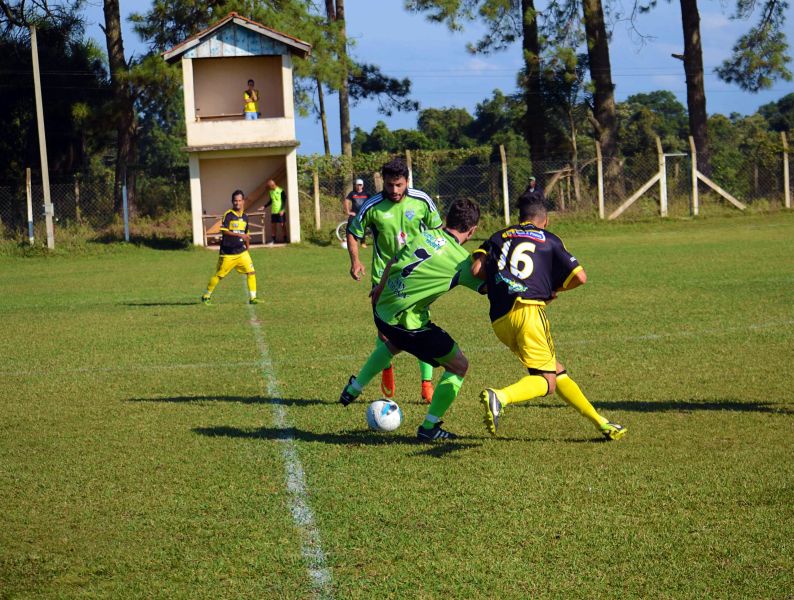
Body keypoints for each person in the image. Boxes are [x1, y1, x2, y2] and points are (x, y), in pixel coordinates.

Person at [471, 195, 626, 441]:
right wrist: (552, 291)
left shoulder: (498, 236)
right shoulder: (550, 239)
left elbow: (477, 270)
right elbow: (580, 277)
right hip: (529, 311)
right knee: (547, 382)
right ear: (546, 220)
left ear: (519, 217)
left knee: (555, 369)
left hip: (500, 318)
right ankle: (500, 397)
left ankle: (602, 424)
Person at [339, 198, 484, 441]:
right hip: (405, 323)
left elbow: (393, 261)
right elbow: (487, 286)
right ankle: (429, 427)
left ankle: (354, 388)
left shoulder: (423, 235)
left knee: (395, 343)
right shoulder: (462, 260)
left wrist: (378, 290)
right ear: (473, 230)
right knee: (459, 366)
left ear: (447, 220)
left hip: (382, 310)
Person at [347, 158, 443, 403]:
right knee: (386, 335)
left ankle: (426, 384)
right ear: (383, 182)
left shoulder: (422, 201)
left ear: (407, 181)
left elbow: (439, 233)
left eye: (399, 185)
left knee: (421, 328)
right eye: (390, 185)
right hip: (383, 279)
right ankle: (386, 372)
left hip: (416, 276)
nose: (395, 190)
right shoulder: (372, 205)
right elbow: (353, 232)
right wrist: (355, 261)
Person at [201, 190, 261, 305]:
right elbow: (224, 232)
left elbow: (246, 235)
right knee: (219, 275)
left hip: (242, 252)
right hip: (228, 253)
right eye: (235, 201)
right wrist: (239, 235)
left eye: (239, 201)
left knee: (251, 272)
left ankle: (253, 298)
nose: (237, 203)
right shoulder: (228, 215)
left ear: (243, 201)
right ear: (232, 202)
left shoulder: (245, 217)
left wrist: (247, 248)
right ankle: (206, 295)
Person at [344, 178, 370, 248]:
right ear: (355, 185)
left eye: (360, 185)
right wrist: (348, 212)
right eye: (357, 185)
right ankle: (348, 241)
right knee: (349, 225)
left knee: (363, 227)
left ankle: (363, 242)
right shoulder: (352, 193)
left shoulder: (366, 193)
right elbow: (346, 201)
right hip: (354, 214)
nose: (359, 187)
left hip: (364, 214)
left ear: (363, 185)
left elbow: (372, 202)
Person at [264, 179, 286, 244]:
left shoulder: (281, 191)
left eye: (269, 186)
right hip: (274, 211)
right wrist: (264, 206)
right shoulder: (271, 192)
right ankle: (273, 240)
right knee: (273, 225)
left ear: (273, 185)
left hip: (281, 211)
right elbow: (271, 201)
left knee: (282, 225)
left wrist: (282, 210)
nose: (269, 188)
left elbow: (284, 201)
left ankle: (285, 239)